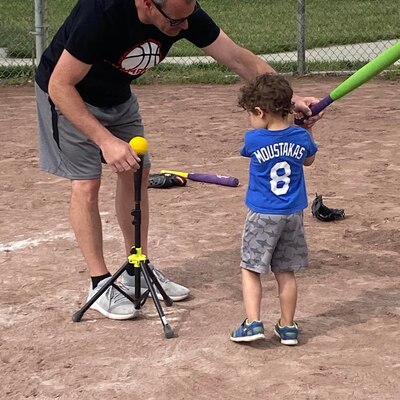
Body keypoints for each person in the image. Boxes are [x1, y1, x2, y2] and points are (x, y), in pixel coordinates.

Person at [35, 0, 321, 321]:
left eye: (188, 18)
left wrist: (287, 100)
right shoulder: (102, 12)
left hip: (116, 96)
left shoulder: (181, 10)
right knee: (87, 184)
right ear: (147, 4)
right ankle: (99, 284)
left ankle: (136, 268)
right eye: (176, 22)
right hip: (68, 95)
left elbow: (239, 58)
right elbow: (60, 84)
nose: (184, 28)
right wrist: (105, 140)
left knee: (137, 175)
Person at [230, 73, 318, 344]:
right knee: (285, 271)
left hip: (262, 213)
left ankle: (253, 322)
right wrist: (306, 127)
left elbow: (248, 149)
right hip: (292, 214)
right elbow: (309, 159)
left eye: (252, 113)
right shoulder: (301, 137)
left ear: (261, 111)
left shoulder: (254, 139)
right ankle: (288, 327)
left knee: (251, 268)